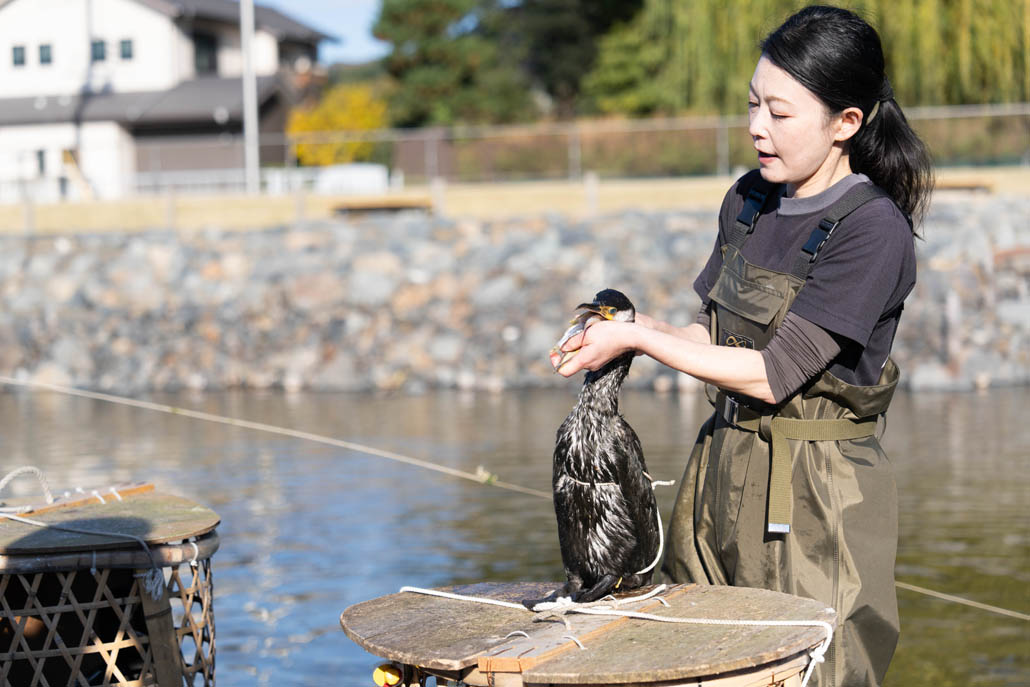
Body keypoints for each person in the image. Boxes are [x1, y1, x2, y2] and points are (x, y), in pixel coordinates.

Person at [552, 6, 933, 687]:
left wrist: (637, 338)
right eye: (753, 104)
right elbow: (708, 335)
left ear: (846, 122)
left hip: (816, 499)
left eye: (780, 113)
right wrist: (624, 330)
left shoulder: (873, 230)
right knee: (688, 660)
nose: (757, 126)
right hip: (716, 470)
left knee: (810, 669)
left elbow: (773, 373)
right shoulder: (748, 200)